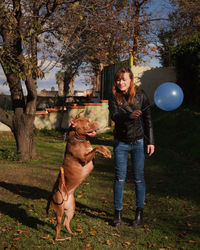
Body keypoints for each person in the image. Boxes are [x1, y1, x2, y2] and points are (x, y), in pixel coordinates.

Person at [108, 66, 155, 228]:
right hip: (120, 142)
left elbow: (148, 119)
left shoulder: (141, 95)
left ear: (130, 80)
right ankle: (117, 213)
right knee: (119, 178)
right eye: (118, 80)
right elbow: (114, 116)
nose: (120, 82)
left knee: (138, 178)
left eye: (124, 79)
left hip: (138, 142)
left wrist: (151, 142)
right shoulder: (114, 96)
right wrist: (129, 116)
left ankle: (139, 214)